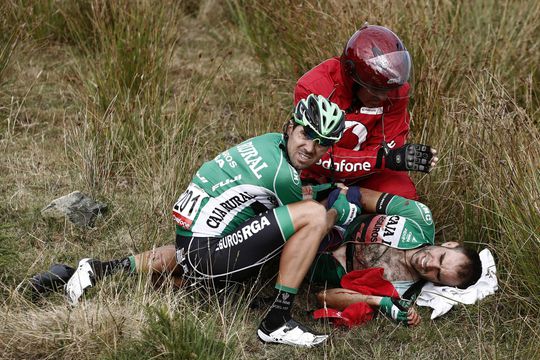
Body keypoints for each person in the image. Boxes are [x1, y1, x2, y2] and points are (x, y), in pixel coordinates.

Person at [30, 94, 360, 347]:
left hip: (190, 243)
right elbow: (304, 221)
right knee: (315, 216)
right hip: (206, 258)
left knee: (232, 231)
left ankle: (99, 269)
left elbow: (283, 198)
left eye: (322, 143)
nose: (311, 147)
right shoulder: (281, 176)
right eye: (306, 134)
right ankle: (276, 321)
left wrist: (322, 188)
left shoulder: (268, 143)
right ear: (291, 126)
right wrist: (336, 209)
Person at [295, 24, 438, 199]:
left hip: (367, 174)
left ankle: (363, 217)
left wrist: (395, 158)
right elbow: (315, 156)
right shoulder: (314, 87)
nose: (384, 97)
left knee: (403, 195)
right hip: (316, 175)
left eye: (388, 89)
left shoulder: (396, 91)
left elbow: (389, 146)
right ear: (353, 78)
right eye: (376, 89)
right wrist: (383, 159)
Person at [310, 187, 482, 326]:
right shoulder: (420, 218)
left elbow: (324, 296)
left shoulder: (402, 294)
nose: (430, 264)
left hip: (312, 263)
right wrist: (332, 214)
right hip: (326, 217)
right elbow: (356, 194)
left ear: (437, 283)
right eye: (441, 257)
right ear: (449, 244)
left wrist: (380, 302)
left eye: (437, 274)